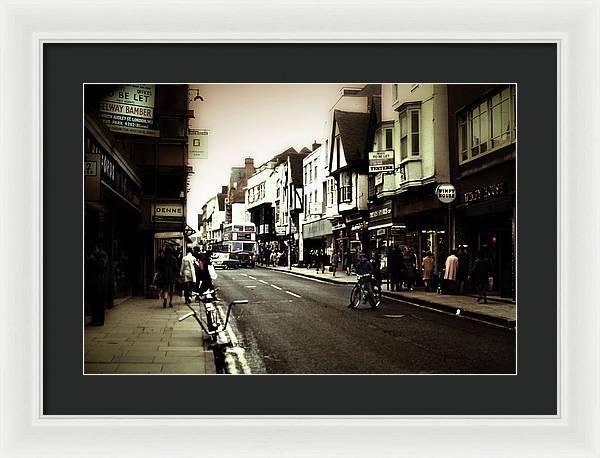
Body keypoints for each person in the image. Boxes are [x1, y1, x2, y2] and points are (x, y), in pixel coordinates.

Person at [87, 244, 109, 326]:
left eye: (94, 250)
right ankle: (94, 319)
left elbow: (101, 265)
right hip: (92, 282)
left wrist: (93, 260)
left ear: (97, 248)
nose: (93, 252)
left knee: (99, 302)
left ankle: (100, 321)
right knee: (93, 302)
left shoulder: (103, 254)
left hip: (99, 282)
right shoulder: (93, 255)